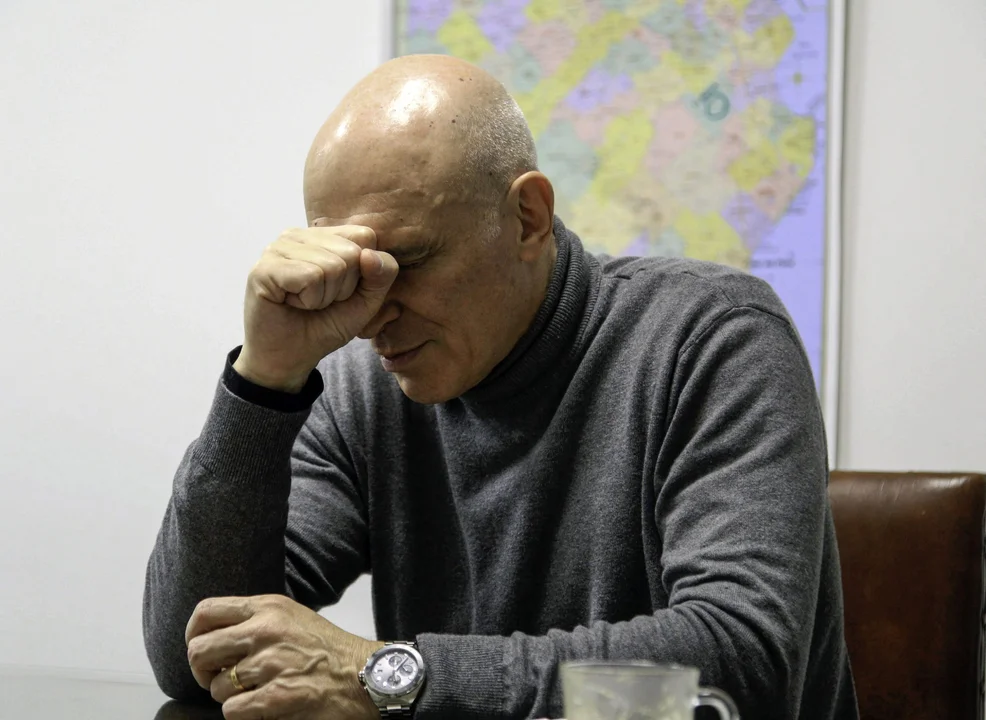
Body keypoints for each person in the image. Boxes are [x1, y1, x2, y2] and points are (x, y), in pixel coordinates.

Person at [143, 54, 858, 720]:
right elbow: (196, 655)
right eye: (350, 272)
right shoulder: (363, 389)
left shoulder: (711, 340)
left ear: (528, 218)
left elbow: (740, 671)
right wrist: (264, 381)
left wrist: (390, 677)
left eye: (405, 261)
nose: (372, 316)